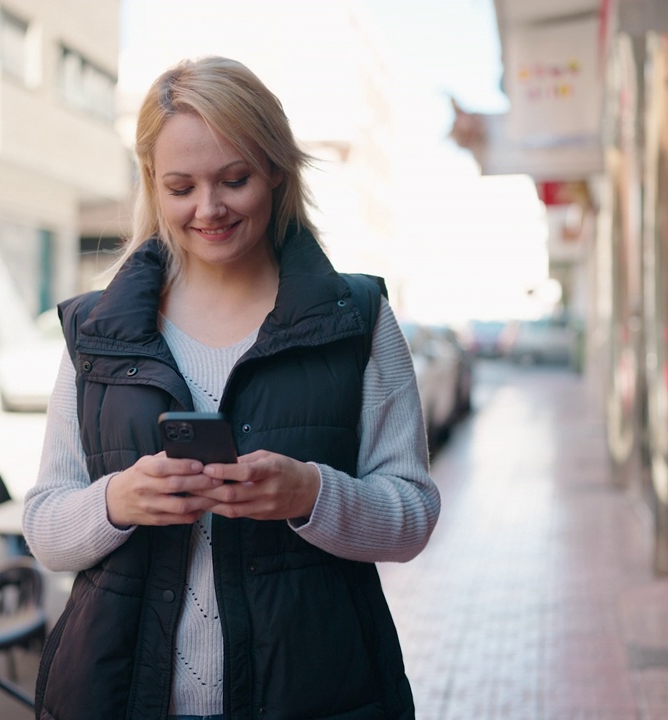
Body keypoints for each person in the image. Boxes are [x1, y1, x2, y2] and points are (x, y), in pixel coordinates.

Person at [22, 55, 441, 720]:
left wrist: (312, 493)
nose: (208, 208)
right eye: (181, 186)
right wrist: (117, 501)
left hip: (317, 696)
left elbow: (412, 518)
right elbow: (45, 530)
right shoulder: (98, 331)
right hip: (115, 697)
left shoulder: (355, 320)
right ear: (152, 185)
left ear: (275, 172)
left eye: (234, 179)